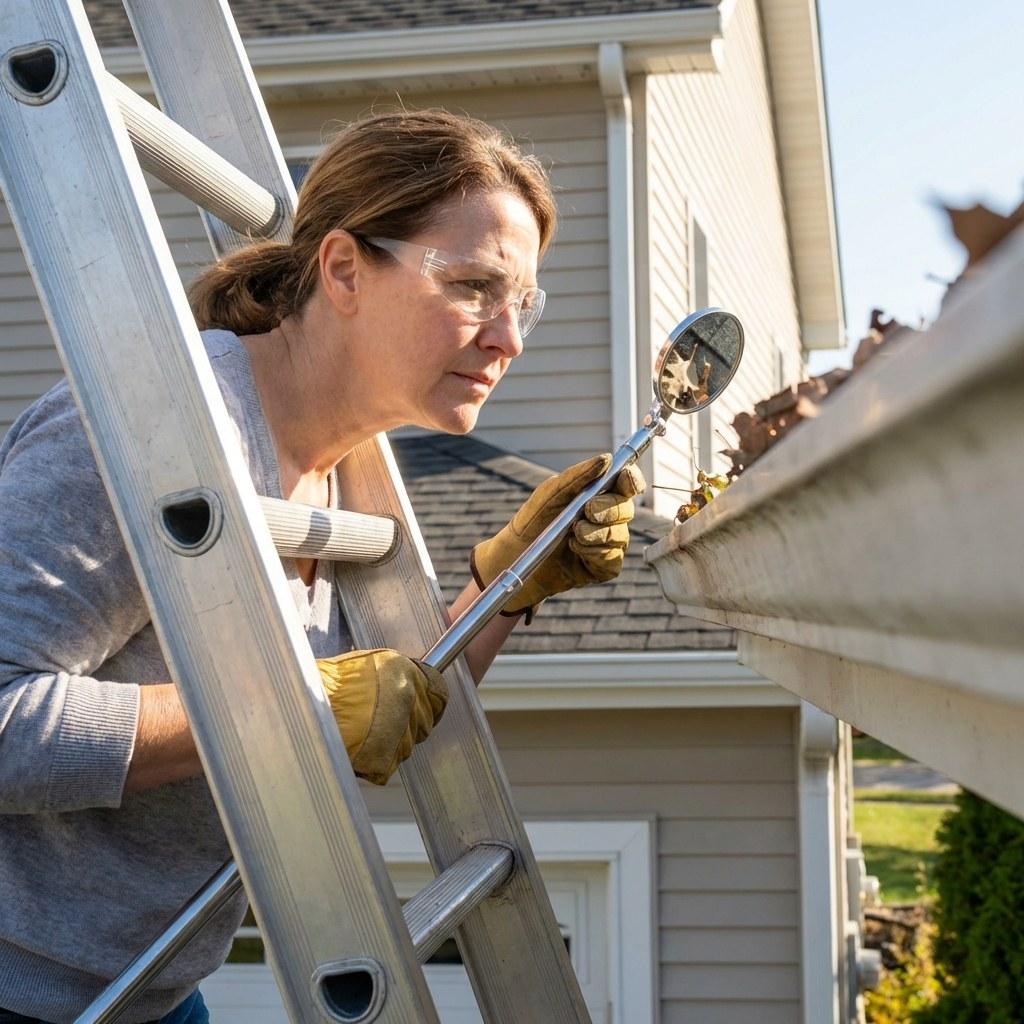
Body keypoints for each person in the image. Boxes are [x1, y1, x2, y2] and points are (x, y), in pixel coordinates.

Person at [0, 108, 644, 1024]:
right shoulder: (145, 440)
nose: (510, 339)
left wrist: (510, 584)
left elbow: (386, 702)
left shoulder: (353, 472)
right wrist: (291, 707)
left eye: (524, 304)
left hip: (148, 994)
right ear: (343, 268)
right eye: (472, 286)